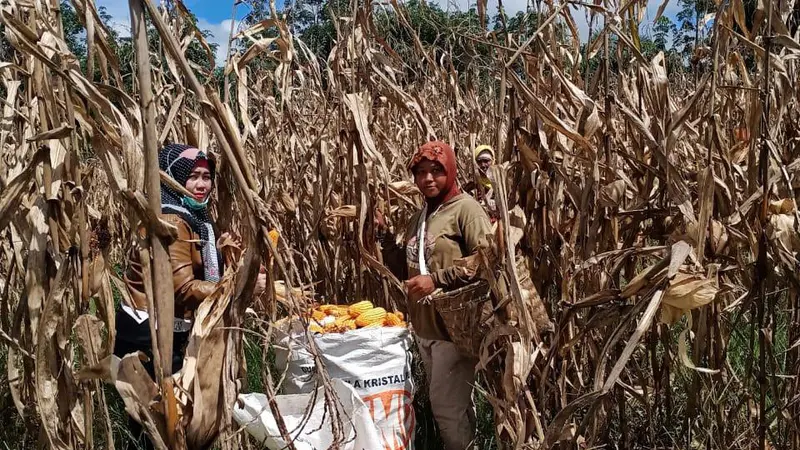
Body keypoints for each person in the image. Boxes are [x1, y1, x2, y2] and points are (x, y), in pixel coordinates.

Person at [114, 143, 265, 448]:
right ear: (172, 178)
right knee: (157, 425)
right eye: (192, 176)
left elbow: (188, 272)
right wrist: (240, 288)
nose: (201, 184)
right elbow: (183, 289)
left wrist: (220, 255)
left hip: (167, 330)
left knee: (166, 421)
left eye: (206, 177)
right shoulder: (172, 222)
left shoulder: (192, 219)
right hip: (150, 335)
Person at [377, 140, 492, 450]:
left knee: (446, 409)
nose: (427, 179)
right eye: (421, 172)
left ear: (450, 171)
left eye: (436, 172)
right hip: (426, 329)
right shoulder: (422, 215)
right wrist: (386, 239)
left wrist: (437, 280)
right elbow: (409, 269)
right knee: (453, 407)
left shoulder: (466, 209)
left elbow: (488, 260)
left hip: (453, 331)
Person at [464, 144, 498, 222]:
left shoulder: (502, 185)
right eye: (479, 161)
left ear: (493, 161)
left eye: (486, 161)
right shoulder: (469, 188)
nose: (482, 165)